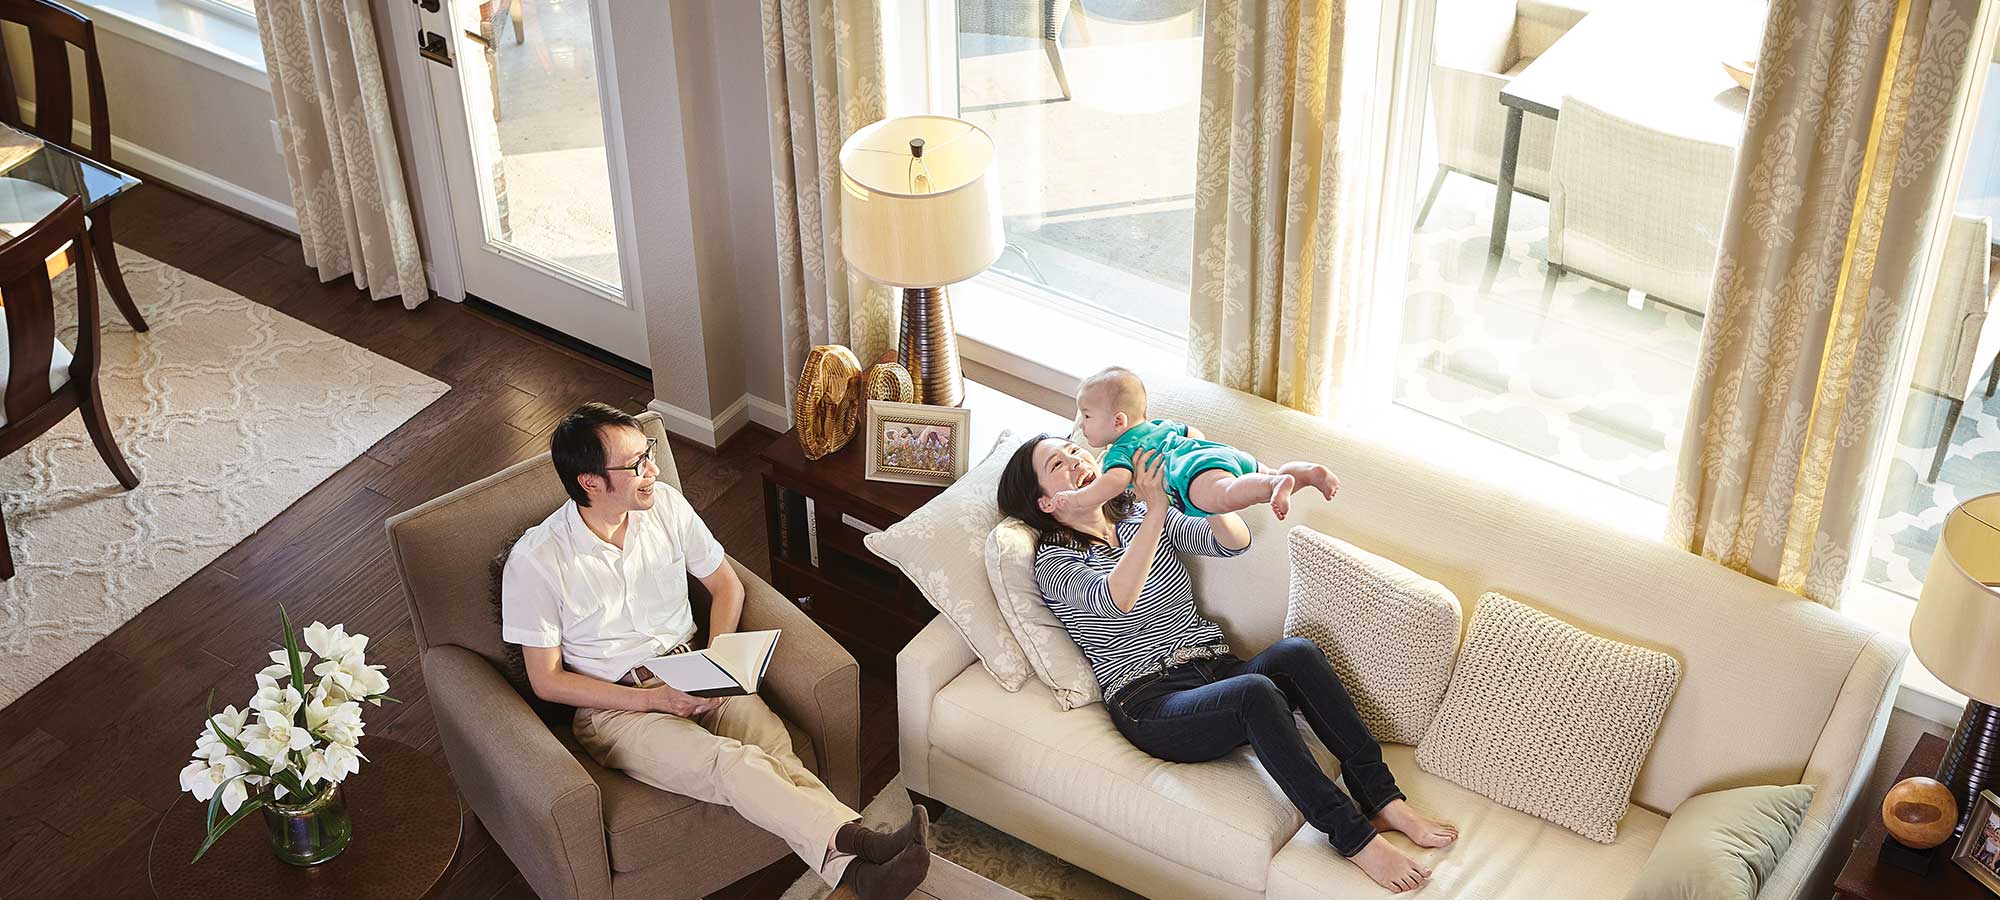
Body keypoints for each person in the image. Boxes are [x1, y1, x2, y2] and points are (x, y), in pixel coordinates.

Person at [503, 403, 930, 899]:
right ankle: (863, 843)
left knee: (774, 753)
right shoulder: (537, 561)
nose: (654, 471)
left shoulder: (664, 504)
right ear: (591, 482)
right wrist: (655, 700)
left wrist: (717, 661)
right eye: (636, 465)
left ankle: (859, 875)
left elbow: (727, 587)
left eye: (649, 455)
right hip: (619, 708)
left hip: (700, 668)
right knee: (732, 764)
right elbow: (547, 680)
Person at [996, 435, 1456, 894]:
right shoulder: (1055, 560)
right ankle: (1354, 838)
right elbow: (1116, 600)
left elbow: (1233, 541)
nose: (1078, 461)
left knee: (1297, 653)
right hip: (1150, 700)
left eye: (1075, 450)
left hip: (1213, 667)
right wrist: (1156, 509)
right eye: (1059, 463)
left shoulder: (1136, 511)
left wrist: (1197, 486)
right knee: (1254, 695)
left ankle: (1381, 798)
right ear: (1046, 502)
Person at [1051, 367, 1340, 521]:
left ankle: (1273, 487)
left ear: (1118, 422)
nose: (1081, 424)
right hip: (1216, 453)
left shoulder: (1119, 452)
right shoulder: (1159, 426)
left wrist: (1076, 498)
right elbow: (1195, 434)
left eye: (1087, 416)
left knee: (1227, 494)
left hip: (1187, 474)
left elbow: (1112, 484)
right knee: (1271, 472)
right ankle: (1306, 474)